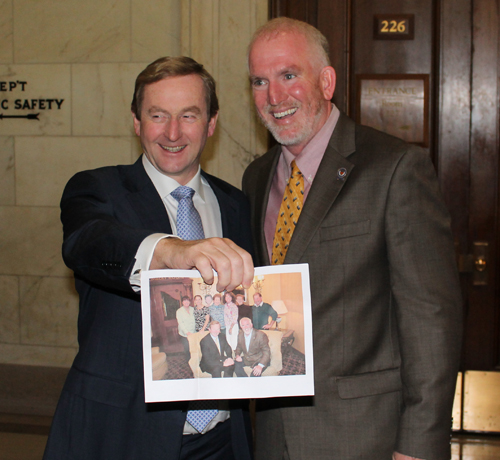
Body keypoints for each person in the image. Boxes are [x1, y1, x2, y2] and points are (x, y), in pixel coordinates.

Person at [242, 18, 463, 460]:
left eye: (289, 75)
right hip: (270, 436)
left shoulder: (395, 168)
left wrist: (419, 444)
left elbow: (431, 318)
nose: (274, 97)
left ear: (326, 81)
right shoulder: (256, 176)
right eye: (259, 81)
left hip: (366, 439)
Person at [43, 56, 254, 460]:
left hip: (223, 441)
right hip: (122, 435)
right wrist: (172, 250)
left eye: (189, 115)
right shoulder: (97, 189)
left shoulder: (236, 205)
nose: (172, 132)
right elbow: (87, 242)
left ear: (211, 124)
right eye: (158, 115)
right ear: (137, 123)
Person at [177, 295, 196, 360]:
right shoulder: (179, 311)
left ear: (189, 302)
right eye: (184, 300)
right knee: (187, 349)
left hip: (193, 333)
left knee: (193, 348)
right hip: (185, 334)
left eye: (187, 300)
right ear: (182, 302)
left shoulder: (193, 309)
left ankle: (194, 362)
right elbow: (181, 323)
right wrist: (187, 332)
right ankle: (188, 362)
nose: (186, 302)